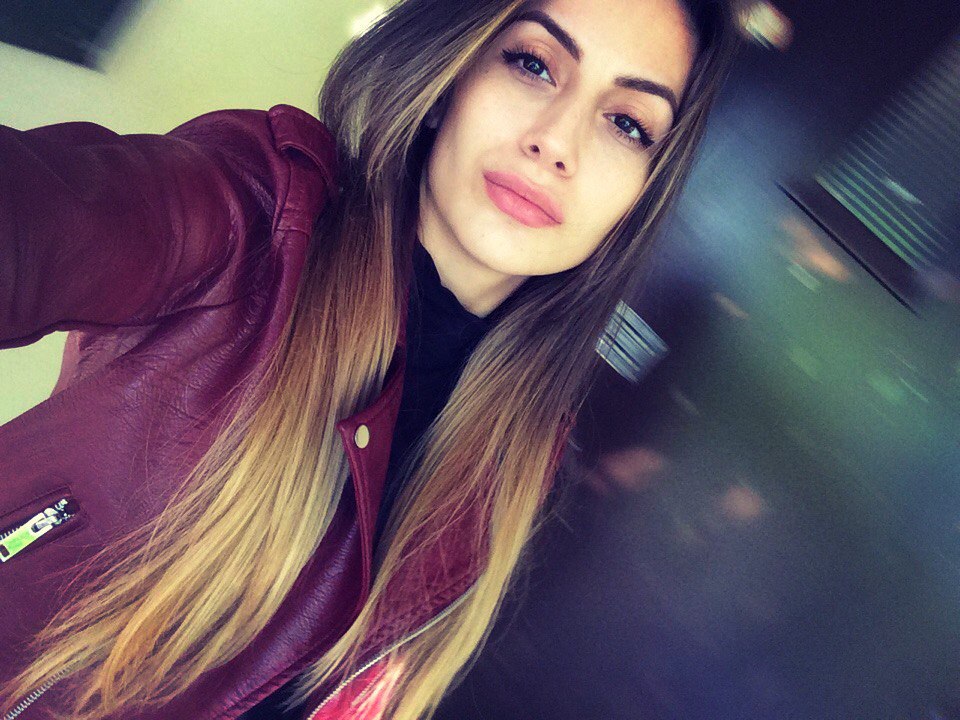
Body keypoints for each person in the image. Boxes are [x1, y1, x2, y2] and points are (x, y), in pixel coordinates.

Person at [0, 0, 738, 717]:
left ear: (641, 197)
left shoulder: (517, 454)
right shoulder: (260, 213)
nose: (557, 142)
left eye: (627, 123)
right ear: (451, 77)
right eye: (532, 64)